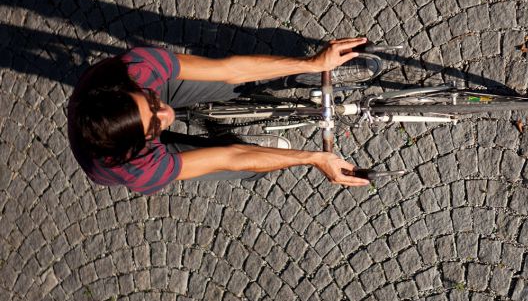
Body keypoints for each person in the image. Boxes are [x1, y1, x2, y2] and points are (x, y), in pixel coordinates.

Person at [67, 38, 371, 194]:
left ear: (130, 88)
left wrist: (313, 63)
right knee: (246, 166)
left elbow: (229, 69)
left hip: (111, 89)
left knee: (236, 81)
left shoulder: (139, 68)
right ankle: (243, 142)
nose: (166, 113)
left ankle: (283, 77)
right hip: (126, 156)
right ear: (141, 143)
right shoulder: (140, 168)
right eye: (155, 126)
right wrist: (313, 158)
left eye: (151, 100)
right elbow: (230, 158)